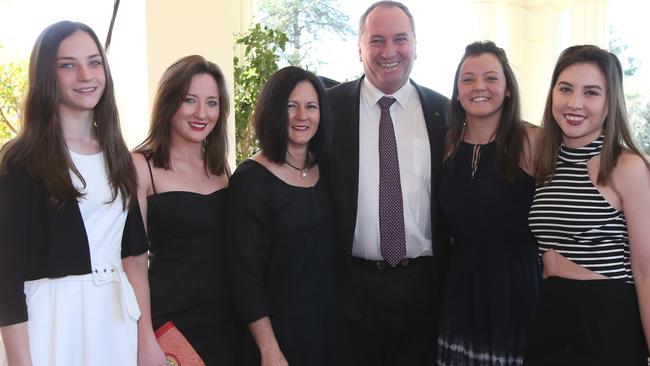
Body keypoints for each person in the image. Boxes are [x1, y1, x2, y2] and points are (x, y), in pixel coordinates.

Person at [0, 21, 153, 366]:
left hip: (116, 323)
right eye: (67, 65)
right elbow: (6, 274)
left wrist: (146, 341)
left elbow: (134, 260)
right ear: (46, 76)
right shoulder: (21, 160)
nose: (85, 74)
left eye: (94, 61)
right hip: (52, 327)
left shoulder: (118, 155)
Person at [324, 1, 449, 364]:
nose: (389, 51)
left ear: (415, 45)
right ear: (359, 47)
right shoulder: (328, 110)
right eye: (376, 40)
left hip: (424, 288)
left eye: (400, 39)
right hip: (351, 288)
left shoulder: (445, 112)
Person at [526, 45, 650, 365]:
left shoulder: (626, 166)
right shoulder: (544, 162)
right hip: (550, 316)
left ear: (610, 102)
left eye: (591, 92)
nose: (574, 103)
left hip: (607, 320)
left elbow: (646, 271)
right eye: (565, 89)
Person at [227, 66, 343, 366]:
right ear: (273, 111)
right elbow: (245, 277)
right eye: (290, 106)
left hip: (327, 333)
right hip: (275, 339)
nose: (301, 116)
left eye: (311, 106)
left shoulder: (327, 170)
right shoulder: (251, 179)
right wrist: (269, 350)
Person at [436, 41, 540, 366]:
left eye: (491, 78)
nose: (479, 86)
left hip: (516, 291)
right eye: (468, 79)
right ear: (456, 91)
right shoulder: (446, 142)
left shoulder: (532, 141)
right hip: (458, 289)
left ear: (508, 88)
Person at [132, 55, 236, 364]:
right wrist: (144, 337)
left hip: (228, 321)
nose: (202, 113)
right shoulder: (140, 166)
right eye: (189, 100)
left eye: (212, 102)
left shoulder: (221, 168)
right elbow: (133, 263)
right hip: (170, 323)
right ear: (169, 101)